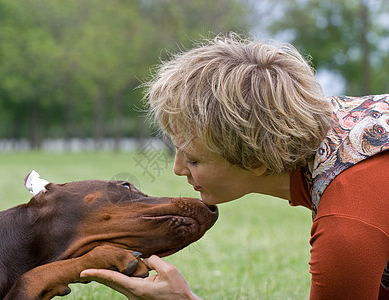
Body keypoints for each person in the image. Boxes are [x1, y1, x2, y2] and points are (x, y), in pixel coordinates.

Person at [80, 33, 389, 299]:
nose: (178, 168)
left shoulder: (348, 222)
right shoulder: (346, 123)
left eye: (195, 158)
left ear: (255, 158)